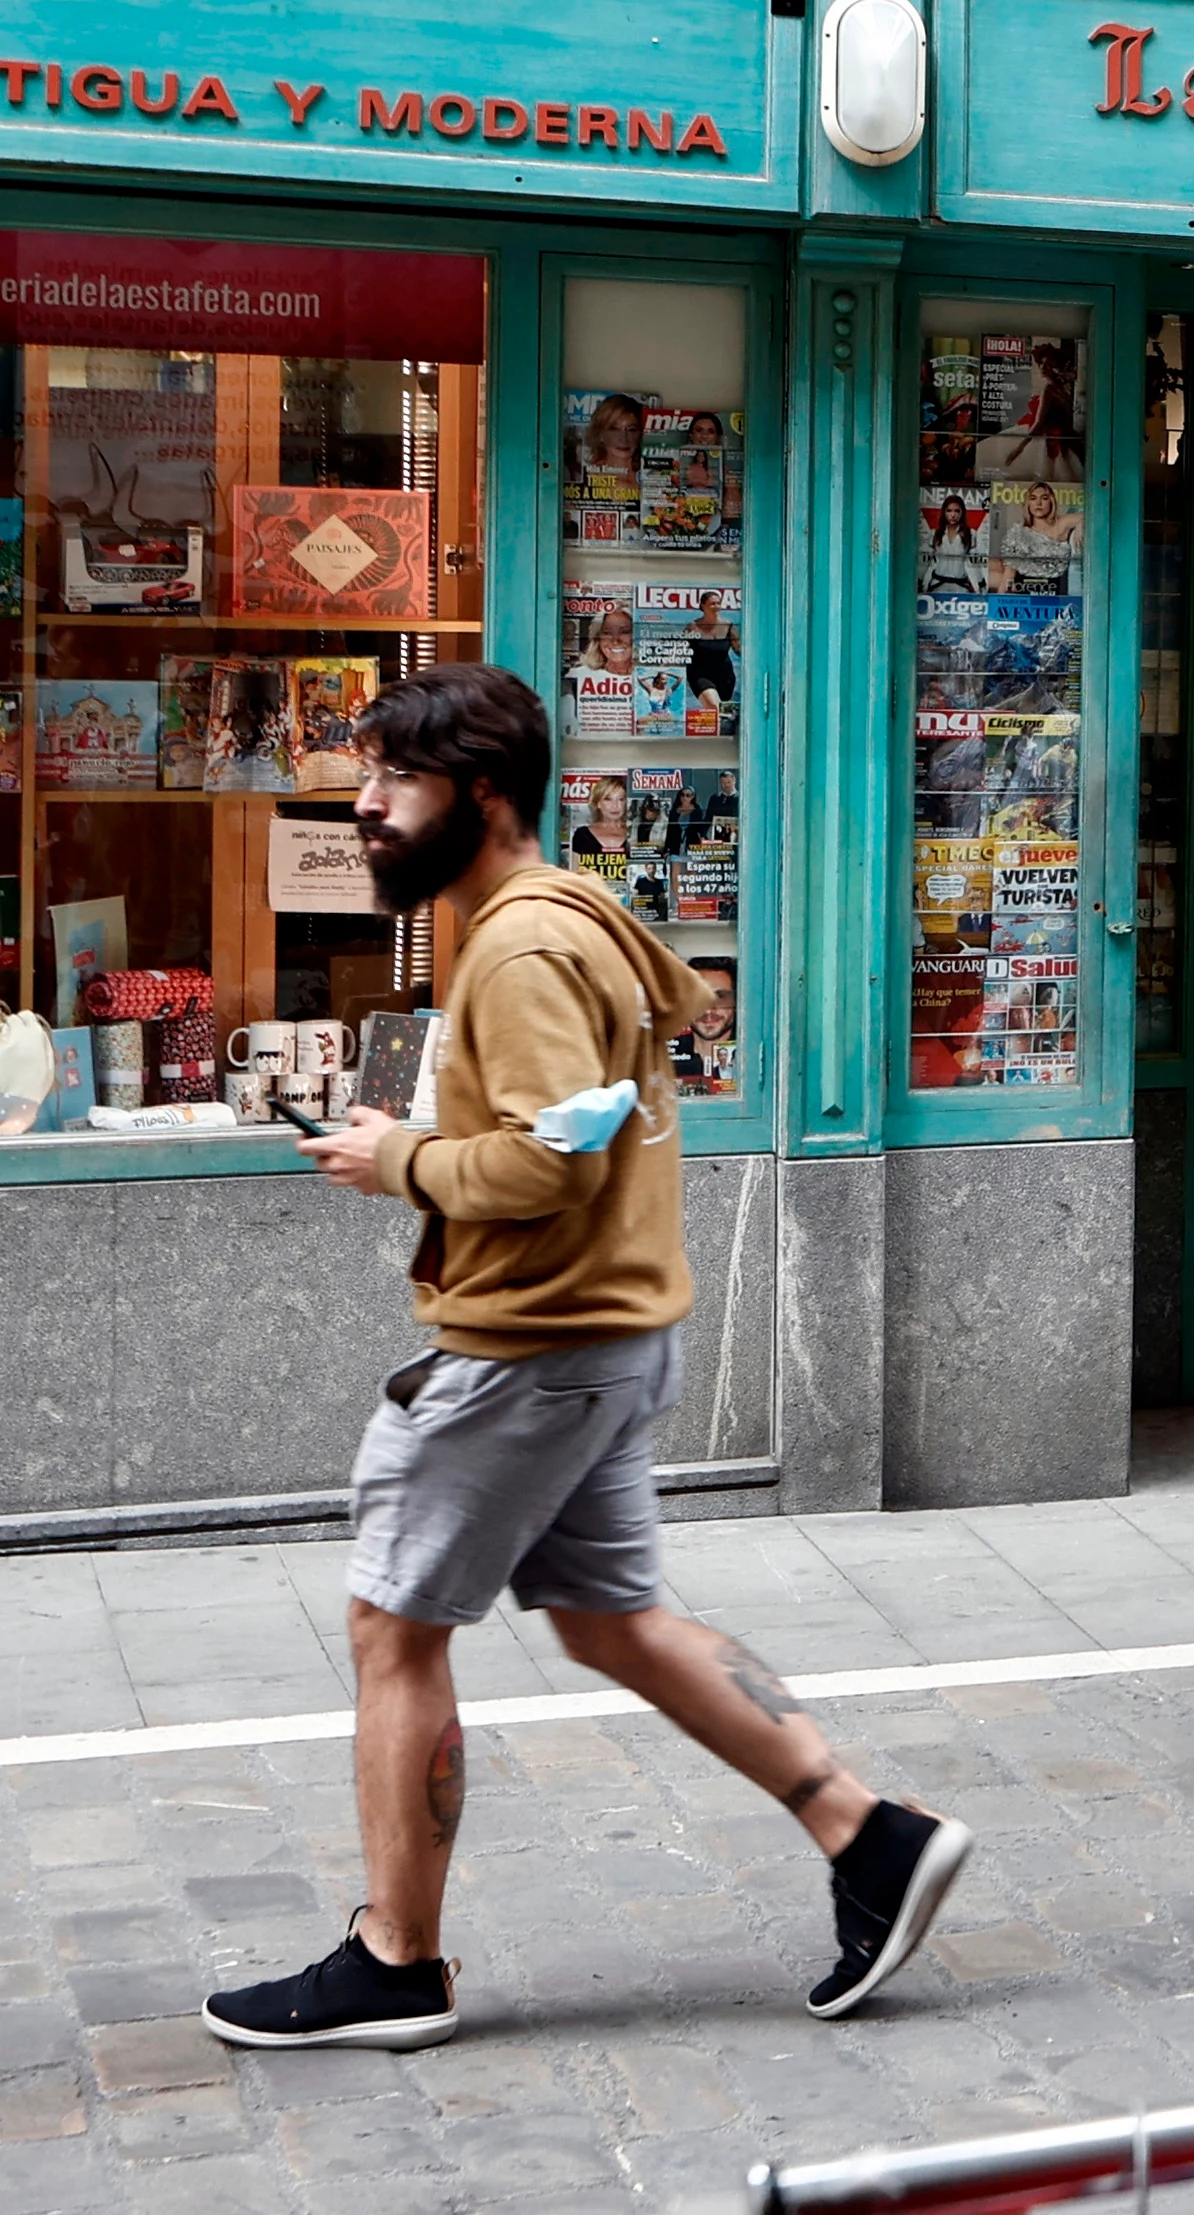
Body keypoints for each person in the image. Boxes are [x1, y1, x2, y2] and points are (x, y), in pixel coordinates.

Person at [211, 666, 968, 2052]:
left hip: (528, 1346)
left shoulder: (517, 946)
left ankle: (395, 1955)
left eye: (397, 783)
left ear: (483, 793)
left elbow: (563, 1151)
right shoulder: (551, 915)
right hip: (601, 1333)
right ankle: (871, 1836)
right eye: (366, 778)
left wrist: (405, 1160)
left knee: (393, 1624)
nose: (365, 807)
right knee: (610, 1617)